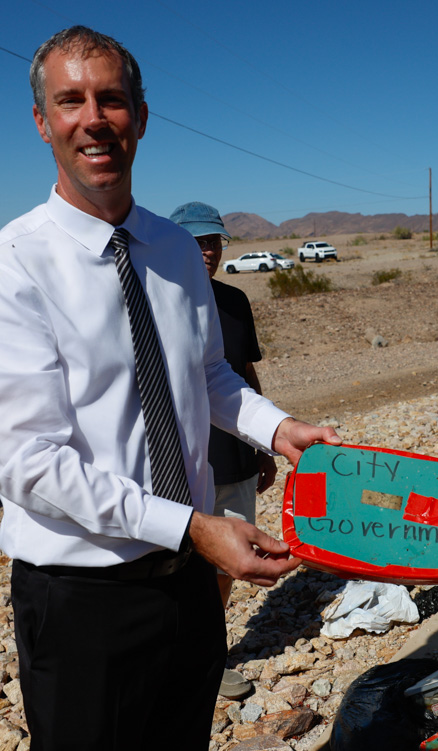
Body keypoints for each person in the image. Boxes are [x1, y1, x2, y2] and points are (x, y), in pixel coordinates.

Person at [0, 26, 341, 750]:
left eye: (112, 99)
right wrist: (194, 525)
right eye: (70, 101)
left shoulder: (172, 250)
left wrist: (277, 428)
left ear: (141, 116)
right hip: (84, 599)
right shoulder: (6, 272)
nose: (93, 119)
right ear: (43, 122)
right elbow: (28, 464)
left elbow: (204, 375)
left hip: (191, 578)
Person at [169, 200, 277, 698]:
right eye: (195, 241)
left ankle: (211, 654)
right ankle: (174, 653)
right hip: (180, 460)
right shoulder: (157, 301)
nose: (206, 251)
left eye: (212, 241)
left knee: (228, 558)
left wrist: (264, 443)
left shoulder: (234, 302)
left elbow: (242, 375)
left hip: (233, 450)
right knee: (177, 557)